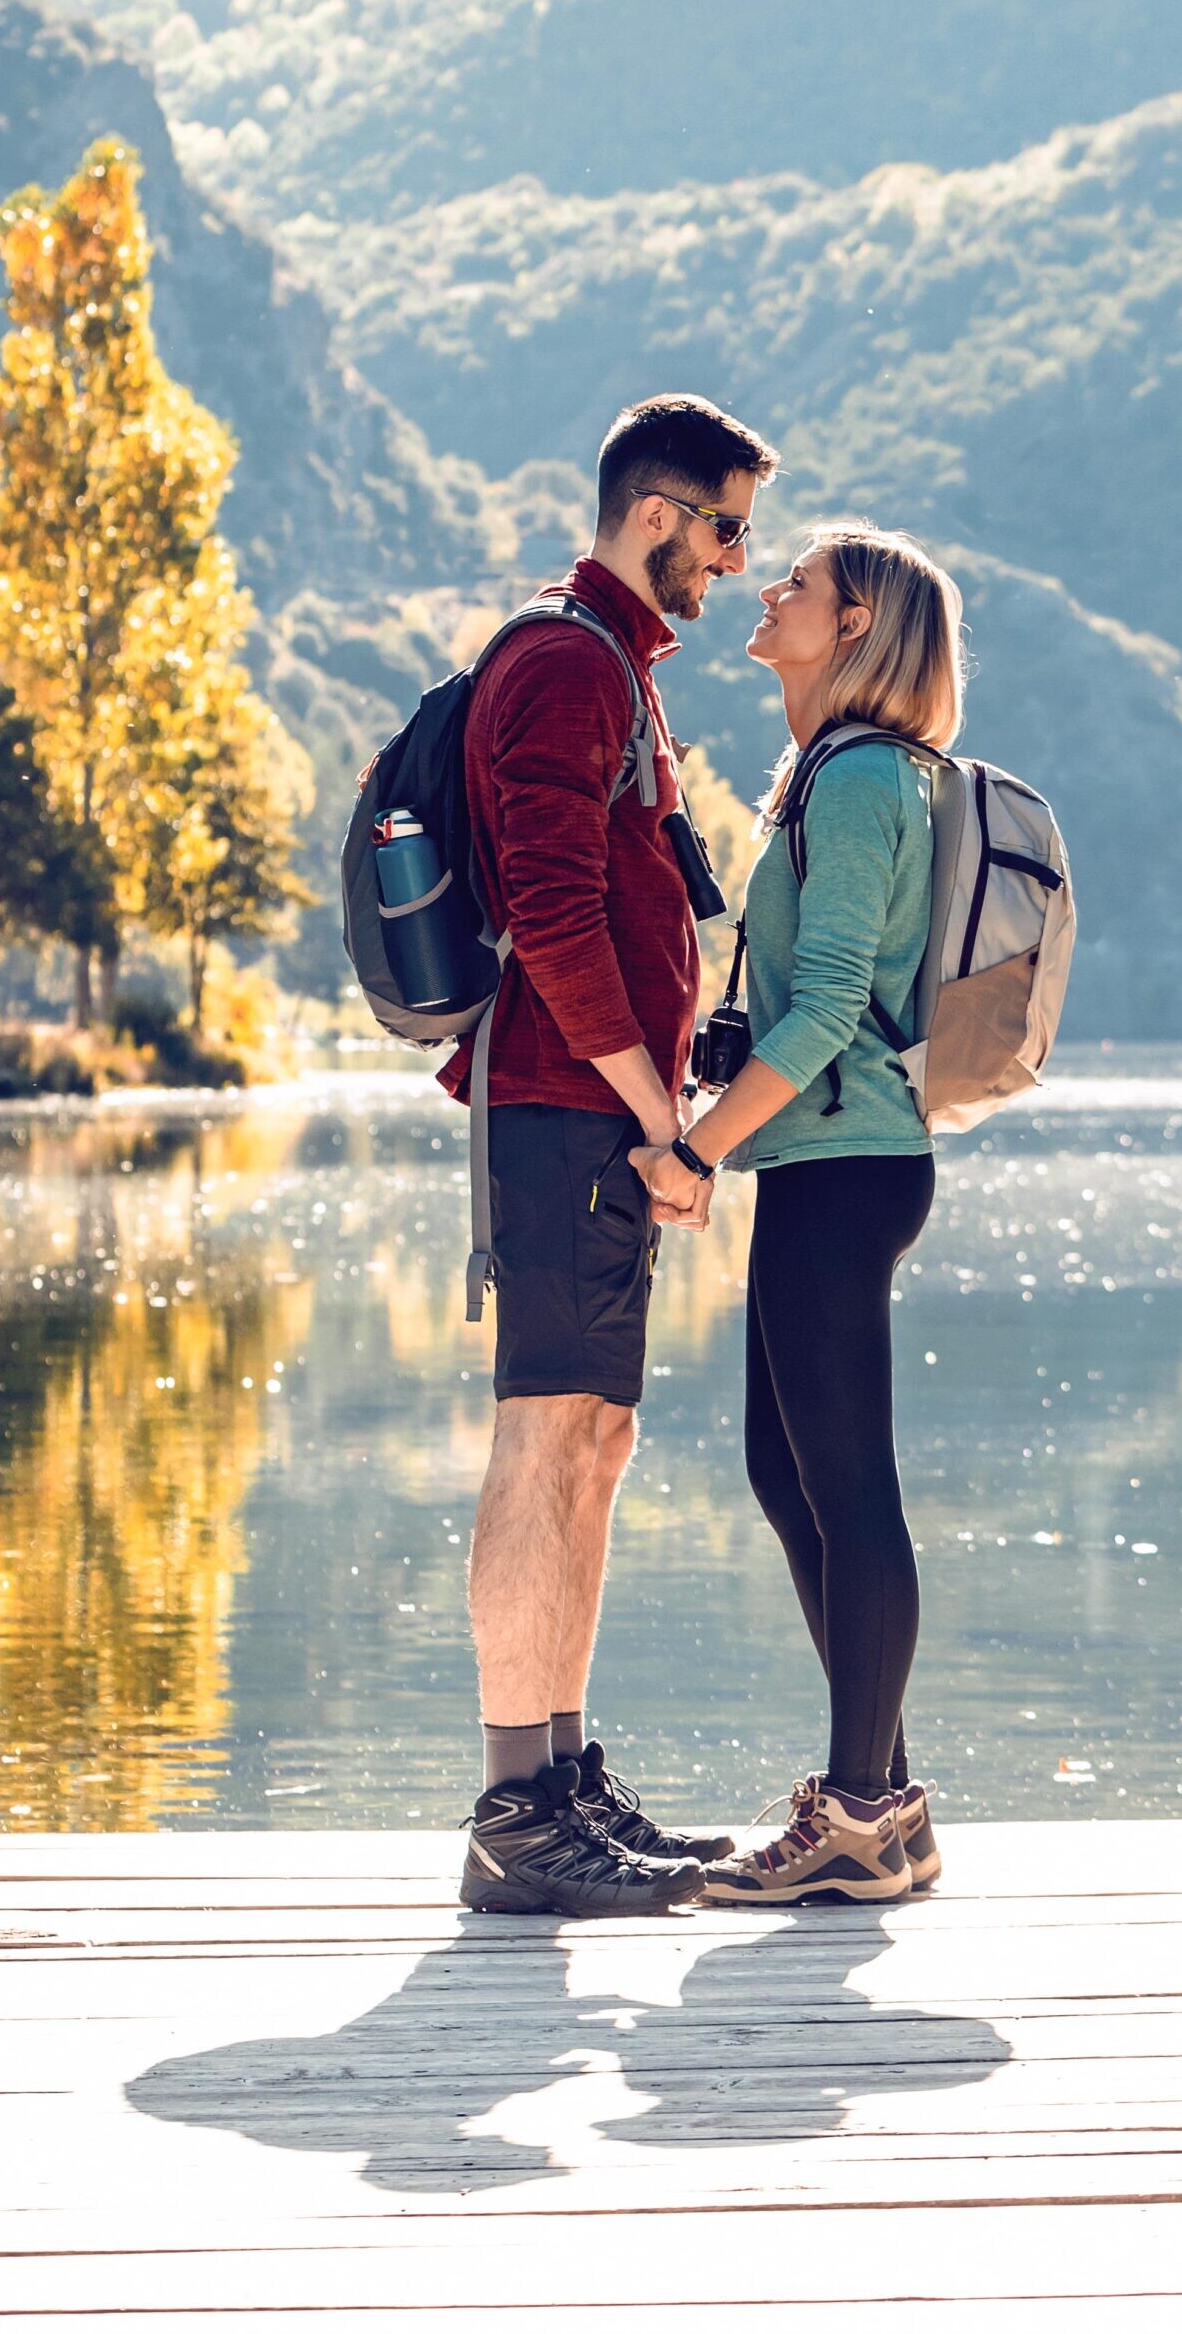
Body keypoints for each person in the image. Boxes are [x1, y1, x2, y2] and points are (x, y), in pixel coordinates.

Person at [448, 393, 780, 1915]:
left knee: (597, 1436)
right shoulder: (563, 663)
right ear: (654, 514)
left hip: (596, 1106)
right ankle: (517, 1808)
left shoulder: (611, 667)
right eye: (722, 531)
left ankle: (564, 1779)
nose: (732, 563)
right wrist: (662, 1121)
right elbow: (559, 915)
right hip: (567, 1107)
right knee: (545, 1431)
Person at [632, 523, 964, 1904]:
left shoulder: (865, 780)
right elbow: (809, 995)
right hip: (825, 1164)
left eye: (800, 586)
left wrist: (695, 1152)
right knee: (791, 1478)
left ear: (857, 629)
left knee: (847, 1487)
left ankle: (866, 1807)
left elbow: (831, 1008)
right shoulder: (832, 775)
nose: (768, 592)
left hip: (842, 1167)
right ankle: (880, 1799)